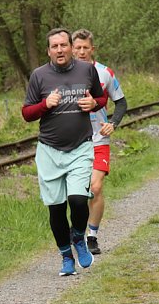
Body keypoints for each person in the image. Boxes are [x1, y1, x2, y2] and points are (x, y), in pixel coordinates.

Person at [23, 28, 107, 276]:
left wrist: (94, 103)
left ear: (71, 46)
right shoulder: (39, 76)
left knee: (79, 199)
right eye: (54, 46)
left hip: (80, 147)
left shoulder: (86, 70)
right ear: (48, 51)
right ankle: (66, 257)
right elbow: (27, 113)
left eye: (63, 45)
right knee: (56, 208)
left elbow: (101, 99)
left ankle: (79, 238)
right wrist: (44, 105)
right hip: (49, 151)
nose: (60, 50)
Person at [71, 29, 128, 256]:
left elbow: (121, 102)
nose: (82, 52)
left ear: (92, 49)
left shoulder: (104, 73)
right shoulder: (63, 74)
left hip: (98, 139)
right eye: (78, 48)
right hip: (73, 141)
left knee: (95, 188)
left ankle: (91, 236)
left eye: (86, 48)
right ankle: (76, 232)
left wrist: (113, 122)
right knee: (75, 193)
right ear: (71, 48)